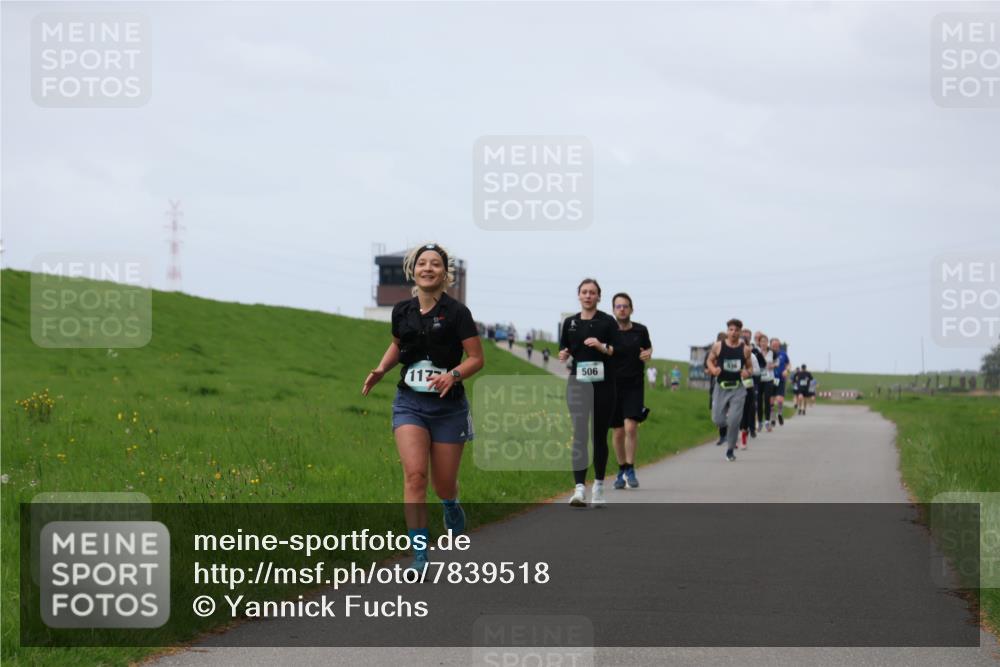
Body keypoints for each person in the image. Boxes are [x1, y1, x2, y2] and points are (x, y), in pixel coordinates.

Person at [362, 243, 484, 571]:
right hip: (410, 403)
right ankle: (419, 553)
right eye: (422, 263)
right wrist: (380, 369)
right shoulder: (402, 310)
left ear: (445, 273)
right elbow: (398, 344)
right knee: (415, 476)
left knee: (442, 483)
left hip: (448, 408)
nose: (428, 268)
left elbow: (476, 358)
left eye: (435, 264)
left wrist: (453, 376)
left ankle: (450, 503)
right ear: (413, 270)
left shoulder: (458, 313)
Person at [559, 278, 619, 508]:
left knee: (598, 435)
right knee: (580, 433)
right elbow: (565, 348)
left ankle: (599, 487)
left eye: (592, 292)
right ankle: (579, 489)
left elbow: (617, 350)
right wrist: (564, 354)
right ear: (578, 295)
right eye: (584, 292)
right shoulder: (570, 323)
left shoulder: (607, 321)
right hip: (578, 383)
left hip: (604, 385)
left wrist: (601, 347)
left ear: (598, 297)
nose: (588, 296)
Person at [609, 293, 652, 490]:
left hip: (634, 384)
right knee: (618, 432)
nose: (622, 309)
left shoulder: (641, 330)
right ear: (613, 310)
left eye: (625, 306)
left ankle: (631, 468)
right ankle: (621, 468)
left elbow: (648, 349)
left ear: (631, 309)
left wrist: (648, 353)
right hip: (612, 385)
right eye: (618, 306)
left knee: (630, 428)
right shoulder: (608, 331)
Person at [705, 319, 753, 461]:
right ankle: (727, 428)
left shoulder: (745, 349)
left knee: (734, 421)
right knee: (717, 419)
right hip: (721, 387)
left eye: (736, 330)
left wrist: (747, 373)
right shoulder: (718, 346)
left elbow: (750, 367)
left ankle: (730, 450)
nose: (733, 332)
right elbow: (709, 361)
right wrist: (714, 370)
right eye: (731, 330)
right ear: (727, 331)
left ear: (740, 332)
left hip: (737, 388)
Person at [738, 328, 760, 447]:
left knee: (746, 410)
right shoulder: (731, 354)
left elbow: (757, 371)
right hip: (734, 385)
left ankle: (744, 433)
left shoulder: (751, 356)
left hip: (747, 384)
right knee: (735, 411)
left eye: (743, 344)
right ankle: (734, 434)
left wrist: (748, 372)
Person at [707, 332, 727, 445]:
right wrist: (713, 369)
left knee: (727, 410)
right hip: (716, 383)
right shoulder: (713, 352)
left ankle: (726, 435)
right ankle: (722, 435)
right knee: (718, 410)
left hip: (730, 384)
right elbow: (707, 367)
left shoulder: (731, 350)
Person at [769, 337, 790, 427]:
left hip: (780, 379)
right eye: (774, 345)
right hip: (770, 379)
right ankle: (773, 417)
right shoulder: (768, 354)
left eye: (777, 345)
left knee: (780, 399)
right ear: (770, 345)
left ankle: (780, 414)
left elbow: (788, 364)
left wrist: (787, 371)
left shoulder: (783, 354)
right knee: (771, 401)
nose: (775, 346)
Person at [755, 332, 774, 432]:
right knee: (758, 401)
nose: (763, 343)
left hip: (769, 379)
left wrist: (773, 365)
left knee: (767, 399)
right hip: (759, 379)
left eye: (765, 341)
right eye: (762, 341)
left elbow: (778, 362)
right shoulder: (756, 352)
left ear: (768, 343)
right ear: (759, 343)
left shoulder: (772, 353)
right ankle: (760, 422)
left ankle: (767, 421)